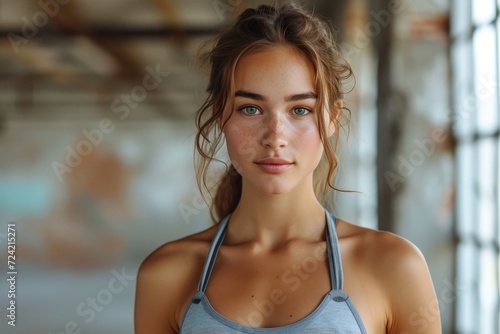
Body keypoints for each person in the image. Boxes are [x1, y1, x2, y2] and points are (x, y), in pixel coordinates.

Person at [134, 2, 442, 333]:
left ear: (332, 117)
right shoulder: (166, 274)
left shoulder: (394, 266)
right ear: (221, 115)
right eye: (250, 109)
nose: (275, 137)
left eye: (300, 110)